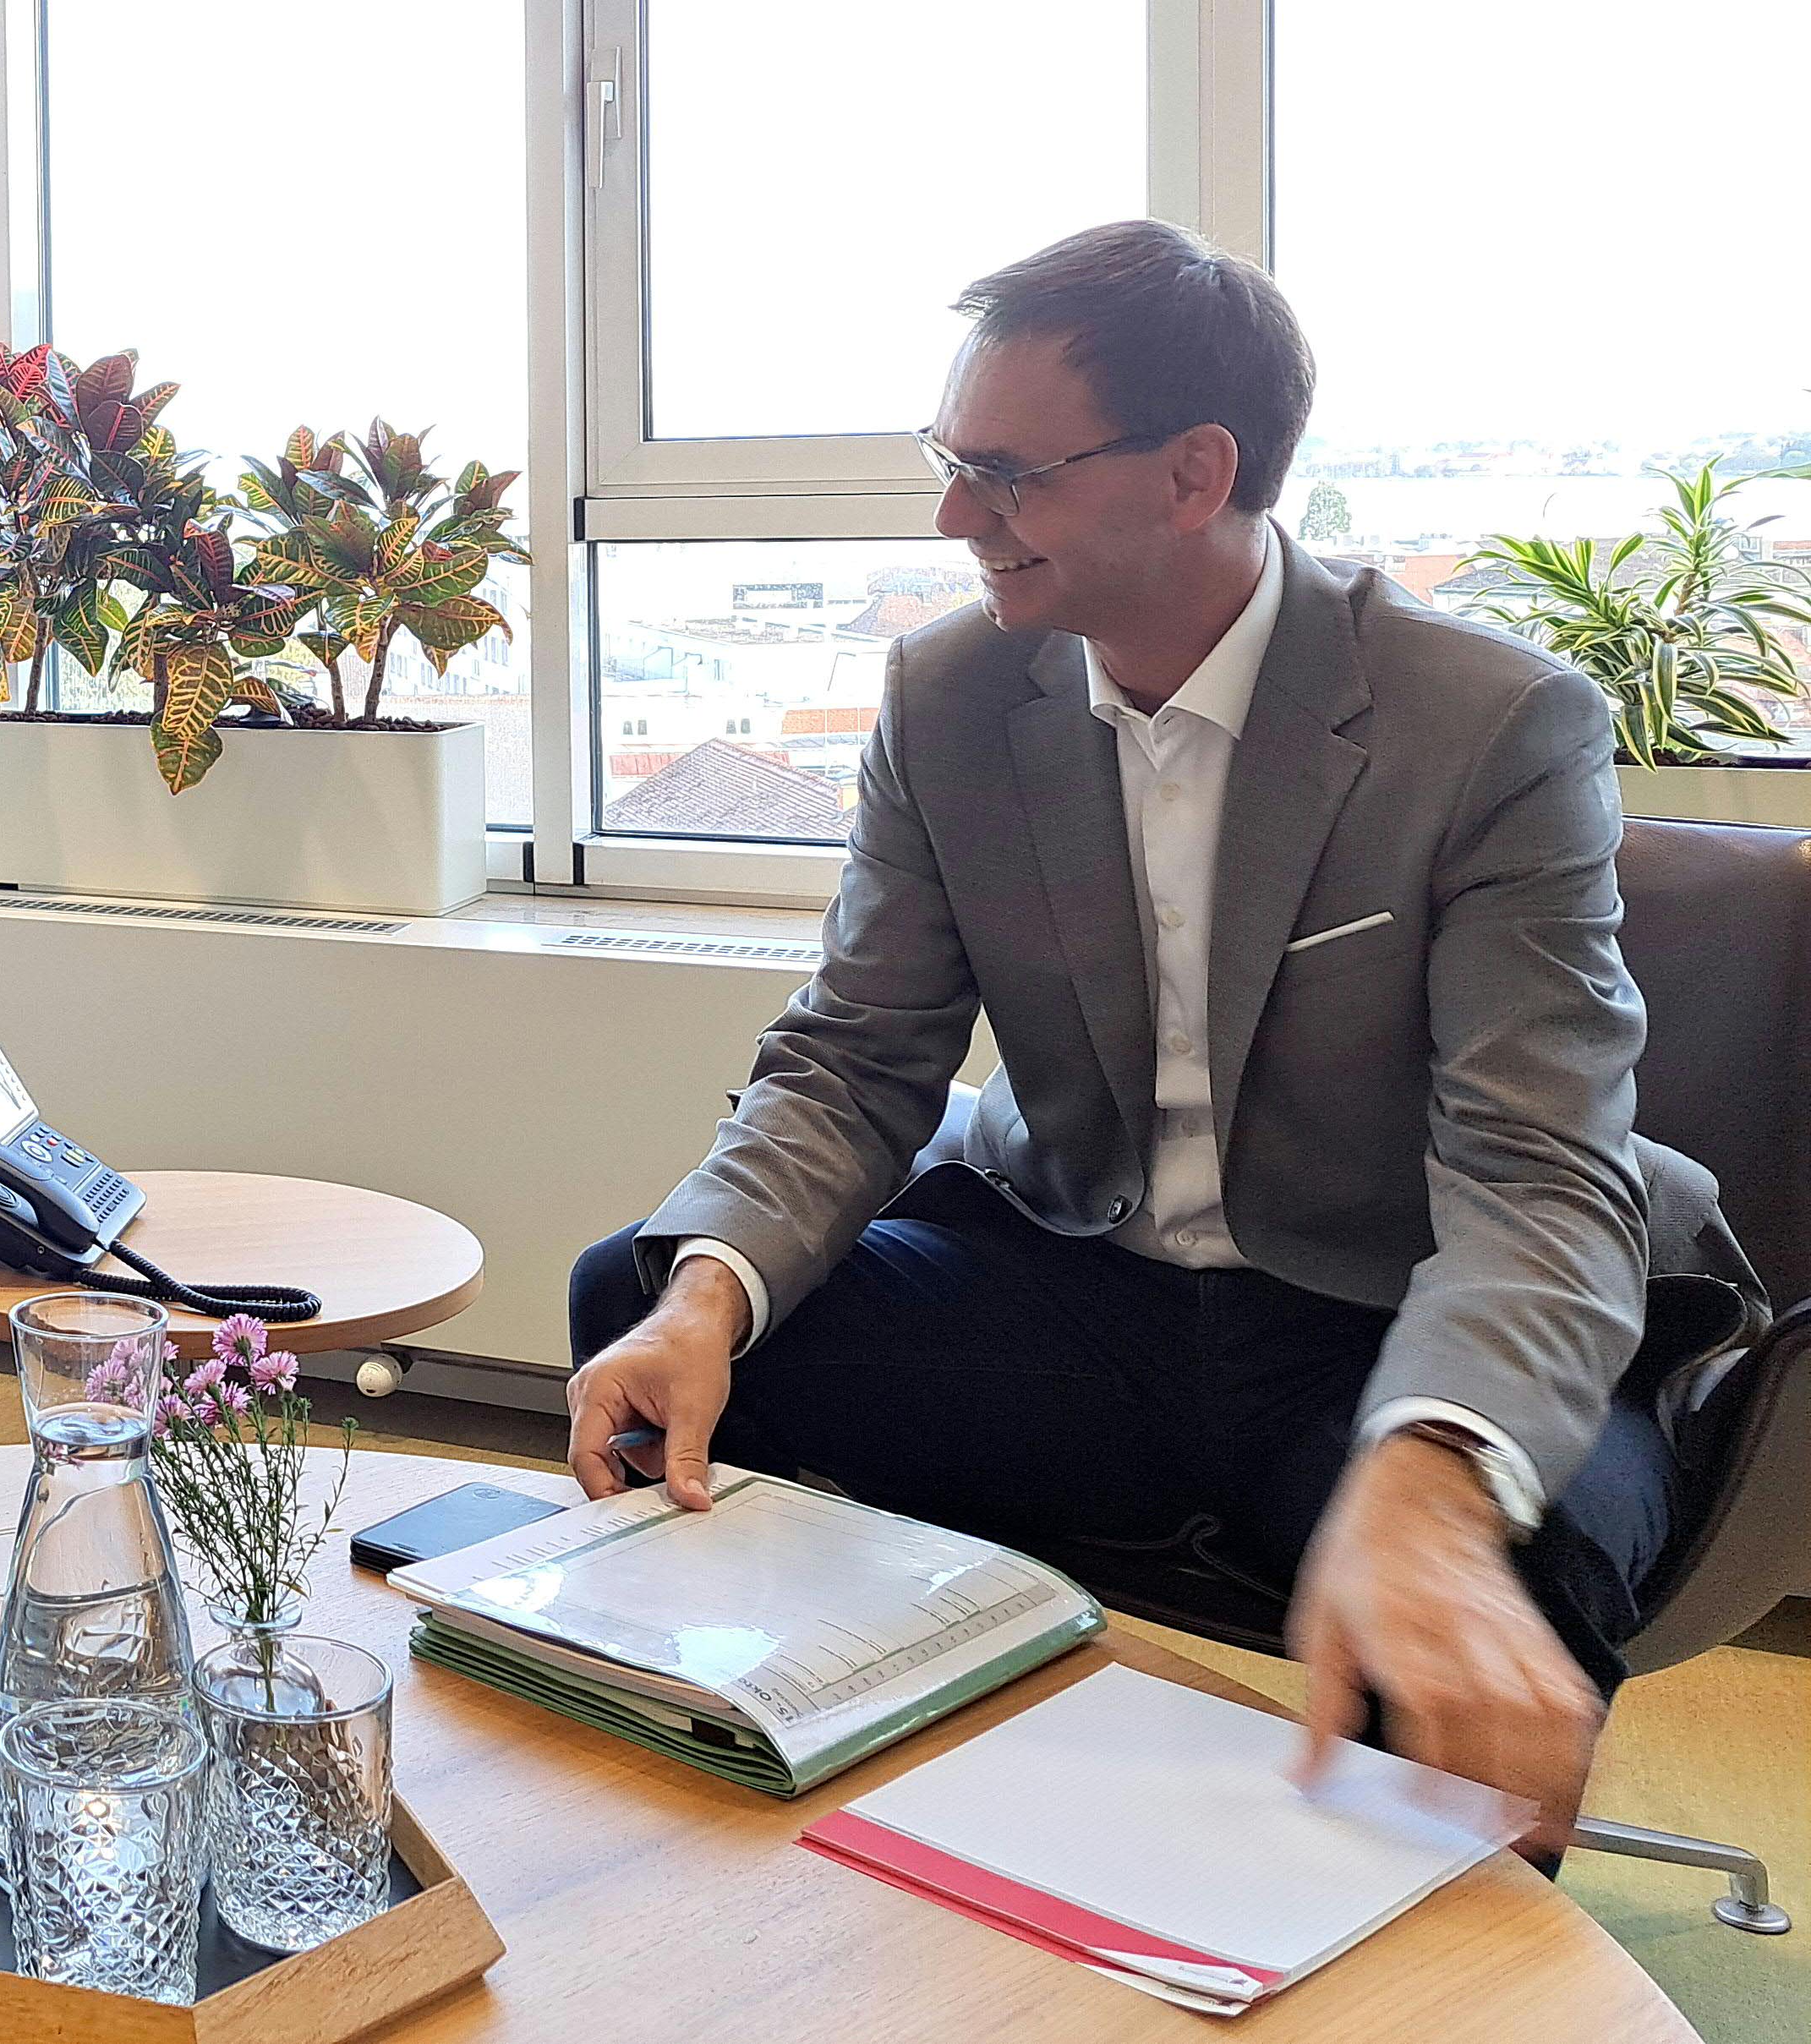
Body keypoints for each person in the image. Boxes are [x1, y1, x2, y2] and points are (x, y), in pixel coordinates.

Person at [564, 221, 1759, 1857]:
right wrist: (706, 1295)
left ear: (1197, 473)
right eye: (950, 463)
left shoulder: (1485, 724)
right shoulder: (948, 699)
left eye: (1006, 475)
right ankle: (848, 1833)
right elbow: (855, 1057)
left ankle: (1420, 1949)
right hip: (1084, 1286)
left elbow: (1538, 1168)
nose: (954, 517)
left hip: (1388, 1312)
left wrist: (1428, 1477)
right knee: (647, 1311)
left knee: (1511, 1564)